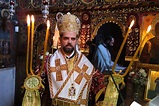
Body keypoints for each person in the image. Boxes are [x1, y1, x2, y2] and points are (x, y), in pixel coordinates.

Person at [47, 12, 95, 106]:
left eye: (73, 39)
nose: (69, 42)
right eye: (66, 38)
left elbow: (96, 85)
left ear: (77, 40)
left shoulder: (85, 63)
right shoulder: (49, 62)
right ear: (60, 39)